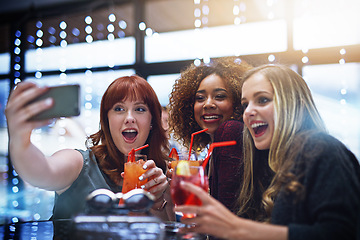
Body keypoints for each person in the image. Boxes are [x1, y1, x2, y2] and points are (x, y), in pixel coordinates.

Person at [174, 64, 360, 240]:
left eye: (262, 100)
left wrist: (236, 228)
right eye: (245, 104)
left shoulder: (320, 148)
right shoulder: (273, 160)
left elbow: (341, 234)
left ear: (295, 104)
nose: (248, 112)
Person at [5, 75, 175, 221]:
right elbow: (41, 172)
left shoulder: (161, 174)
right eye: (119, 109)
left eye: (139, 109)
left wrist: (158, 201)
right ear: (107, 120)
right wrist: (20, 139)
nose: (129, 118)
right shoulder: (80, 164)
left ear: (152, 121)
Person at [168, 57, 253, 212]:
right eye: (200, 98)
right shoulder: (213, 152)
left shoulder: (230, 131)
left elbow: (225, 218)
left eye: (219, 96)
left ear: (237, 102)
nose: (208, 104)